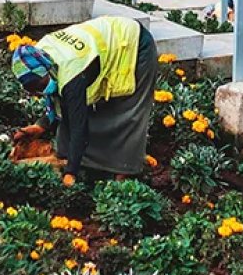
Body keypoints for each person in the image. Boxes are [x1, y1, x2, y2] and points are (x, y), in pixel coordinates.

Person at [11, 16, 157, 186]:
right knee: (80, 108)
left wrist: (70, 174)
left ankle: (123, 179)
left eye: (39, 85)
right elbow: (60, 102)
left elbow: (78, 127)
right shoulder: (40, 55)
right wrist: (40, 126)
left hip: (134, 45)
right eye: (32, 88)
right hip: (105, 42)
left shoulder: (72, 73)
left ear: (45, 70)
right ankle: (79, 160)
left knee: (128, 112)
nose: (39, 91)